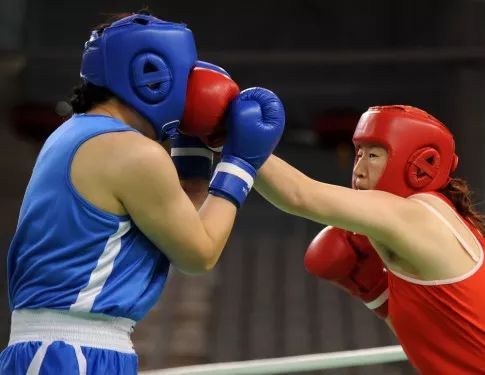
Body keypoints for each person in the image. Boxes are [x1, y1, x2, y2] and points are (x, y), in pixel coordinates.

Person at [0, 11, 285, 375]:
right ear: (152, 74)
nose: (189, 91)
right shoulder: (131, 152)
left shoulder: (75, 134)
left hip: (75, 347)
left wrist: (193, 154)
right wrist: (240, 163)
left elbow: (178, 229)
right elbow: (199, 254)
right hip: (73, 351)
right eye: (185, 78)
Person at [254, 105, 485, 374]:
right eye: (359, 153)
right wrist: (377, 296)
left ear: (418, 164)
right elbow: (438, 339)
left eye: (374, 155)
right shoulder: (415, 227)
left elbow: (299, 196)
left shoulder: (417, 218)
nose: (359, 168)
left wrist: (237, 142)